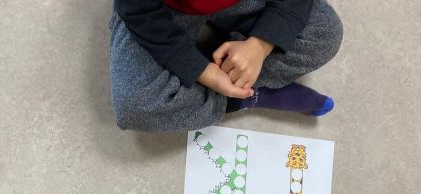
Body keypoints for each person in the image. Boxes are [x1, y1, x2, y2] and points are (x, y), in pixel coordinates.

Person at [109, 0, 343, 132]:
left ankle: (239, 79)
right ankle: (246, 95)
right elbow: (139, 12)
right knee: (135, 106)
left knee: (326, 34)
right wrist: (200, 70)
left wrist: (260, 46)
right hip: (163, 10)